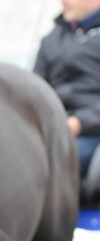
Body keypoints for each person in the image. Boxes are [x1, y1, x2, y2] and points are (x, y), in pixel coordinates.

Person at [33, 0, 100, 178]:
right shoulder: (52, 39)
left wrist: (79, 123)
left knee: (54, 159)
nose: (63, 1)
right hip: (55, 126)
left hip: (91, 131)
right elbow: (36, 88)